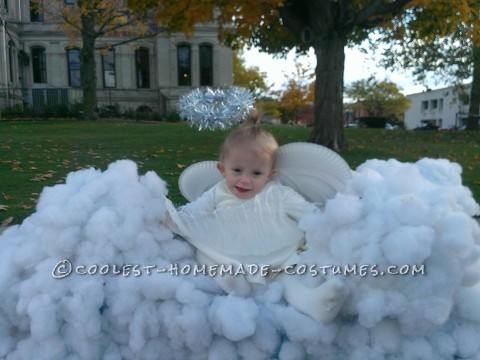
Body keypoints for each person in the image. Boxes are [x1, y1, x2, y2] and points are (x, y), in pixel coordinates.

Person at [165, 122, 350, 324]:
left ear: (270, 174)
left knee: (286, 279)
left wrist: (330, 222)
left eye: (256, 173)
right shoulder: (217, 191)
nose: (245, 181)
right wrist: (174, 219)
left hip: (275, 250)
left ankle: (314, 302)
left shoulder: (279, 193)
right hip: (229, 248)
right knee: (203, 252)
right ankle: (233, 282)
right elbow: (196, 212)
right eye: (237, 170)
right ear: (222, 170)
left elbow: (309, 213)